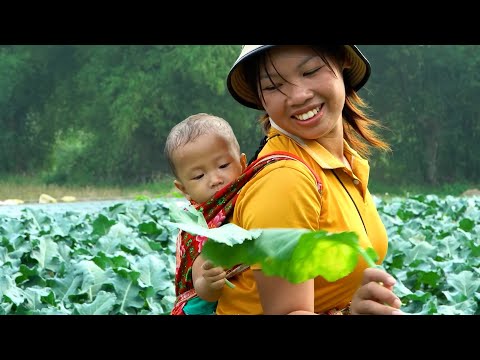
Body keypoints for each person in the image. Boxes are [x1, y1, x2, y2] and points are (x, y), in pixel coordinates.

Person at [214, 45, 404, 315]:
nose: (298, 95)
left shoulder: (343, 164)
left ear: (342, 62)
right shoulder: (286, 179)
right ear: (261, 98)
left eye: (311, 71)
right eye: (273, 86)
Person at [164, 112, 247, 315]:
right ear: (183, 189)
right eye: (199, 176)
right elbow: (201, 287)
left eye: (223, 166)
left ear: (243, 163)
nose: (215, 179)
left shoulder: (251, 194)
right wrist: (209, 283)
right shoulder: (200, 224)